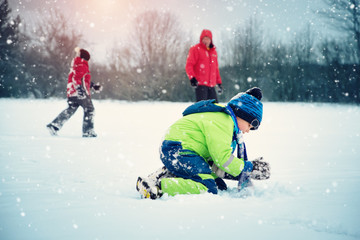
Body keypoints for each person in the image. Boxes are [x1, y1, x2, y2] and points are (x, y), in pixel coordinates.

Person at [136, 87, 270, 199]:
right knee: (208, 187)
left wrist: (245, 171)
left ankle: (171, 172)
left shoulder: (225, 120)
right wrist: (249, 167)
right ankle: (158, 187)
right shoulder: (223, 122)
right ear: (243, 114)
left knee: (219, 185)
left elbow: (216, 164)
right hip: (179, 150)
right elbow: (223, 160)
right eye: (250, 126)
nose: (248, 131)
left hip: (179, 150)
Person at [46, 47, 102, 137]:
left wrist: (93, 86)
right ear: (86, 58)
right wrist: (79, 90)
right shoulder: (82, 65)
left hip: (72, 93)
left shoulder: (77, 65)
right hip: (80, 93)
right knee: (90, 110)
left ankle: (54, 125)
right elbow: (76, 79)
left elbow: (83, 80)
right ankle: (88, 131)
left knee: (70, 110)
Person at [185, 29, 223, 102]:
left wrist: (219, 83)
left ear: (211, 40)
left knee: (215, 106)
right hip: (201, 84)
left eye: (208, 39)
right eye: (204, 38)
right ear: (201, 39)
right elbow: (189, 65)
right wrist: (192, 77)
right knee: (202, 107)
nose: (206, 40)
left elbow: (216, 69)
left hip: (211, 85)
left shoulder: (213, 52)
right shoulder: (195, 49)